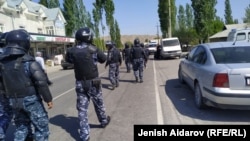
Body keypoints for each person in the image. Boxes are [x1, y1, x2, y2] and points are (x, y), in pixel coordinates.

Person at [0, 29, 53, 141]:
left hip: (13, 100)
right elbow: (41, 82)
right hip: (31, 100)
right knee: (41, 129)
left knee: (21, 127)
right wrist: (48, 99)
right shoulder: (29, 62)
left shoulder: (2, 63)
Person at [65, 27, 110, 141]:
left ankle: (85, 135)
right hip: (93, 82)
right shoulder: (93, 49)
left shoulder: (71, 51)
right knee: (99, 103)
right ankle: (103, 121)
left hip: (80, 83)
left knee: (82, 109)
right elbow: (103, 59)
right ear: (89, 37)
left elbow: (69, 61)